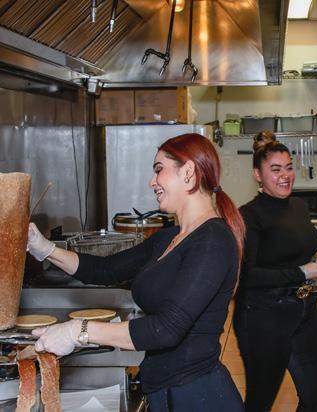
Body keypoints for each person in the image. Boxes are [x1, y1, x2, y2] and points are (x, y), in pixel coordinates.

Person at [27, 133, 246, 412]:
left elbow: (166, 329)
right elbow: (104, 270)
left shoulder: (213, 240)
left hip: (197, 396)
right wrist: (45, 249)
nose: (152, 182)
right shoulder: (168, 238)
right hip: (166, 390)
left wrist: (78, 332)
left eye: (159, 170)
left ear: (188, 172)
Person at [234, 131, 317, 412]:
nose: (285, 175)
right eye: (275, 169)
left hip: (306, 310)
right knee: (260, 402)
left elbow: (297, 251)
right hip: (264, 317)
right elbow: (246, 277)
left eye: (288, 167)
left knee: (314, 399)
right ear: (257, 175)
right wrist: (302, 272)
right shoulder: (249, 216)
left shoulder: (298, 206)